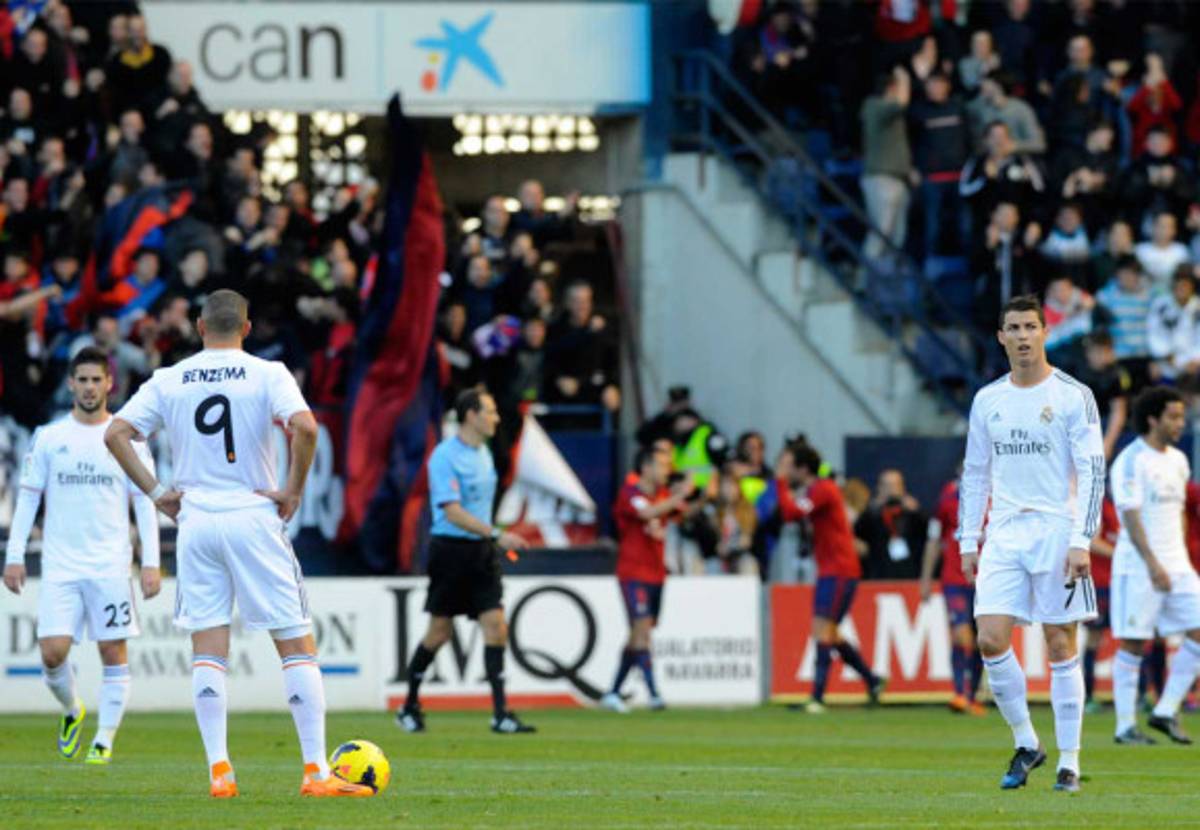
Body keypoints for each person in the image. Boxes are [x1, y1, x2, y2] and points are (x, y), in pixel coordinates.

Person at [103, 290, 372, 798]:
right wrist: (293, 489)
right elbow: (305, 427)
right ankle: (316, 772)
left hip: (197, 520)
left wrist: (158, 495)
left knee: (208, 647)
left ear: (200, 327)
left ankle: (220, 771)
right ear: (247, 329)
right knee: (295, 643)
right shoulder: (268, 373)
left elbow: (116, 434)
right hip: (252, 515)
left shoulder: (169, 378)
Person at [958, 294, 1105, 793]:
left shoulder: (1073, 395)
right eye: (1014, 328)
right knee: (989, 638)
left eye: (1030, 327)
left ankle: (1070, 762)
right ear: (1001, 337)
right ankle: (1027, 742)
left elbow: (1092, 472)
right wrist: (968, 538)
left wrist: (1082, 539)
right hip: (1003, 533)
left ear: (1045, 332)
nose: (1023, 336)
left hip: (1057, 530)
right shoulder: (988, 400)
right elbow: (976, 472)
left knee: (1060, 642)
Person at [3, 347, 160, 764]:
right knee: (52, 652)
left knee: (113, 652)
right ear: (71, 384)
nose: (90, 387)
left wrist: (150, 562)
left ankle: (103, 741)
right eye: (83, 380)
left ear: (110, 383)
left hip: (110, 565)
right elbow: (28, 498)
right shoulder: (50, 437)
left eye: (96, 380)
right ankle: (73, 709)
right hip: (61, 565)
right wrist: (14, 555)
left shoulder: (127, 439)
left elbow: (144, 502)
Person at [396, 388, 535, 736]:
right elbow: (452, 512)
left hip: (481, 552)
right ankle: (409, 705)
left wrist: (490, 537)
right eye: (490, 411)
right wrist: (497, 534)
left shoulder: (484, 452)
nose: (496, 418)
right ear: (471, 416)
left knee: (496, 626)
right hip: (451, 552)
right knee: (440, 631)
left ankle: (501, 714)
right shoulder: (444, 457)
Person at [1109, 387, 1200, 746]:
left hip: (1177, 564)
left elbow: (1179, 513)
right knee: (1134, 642)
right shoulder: (1131, 460)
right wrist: (1152, 563)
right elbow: (1130, 516)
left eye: (1181, 416)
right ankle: (1125, 726)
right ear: (1152, 419)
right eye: (1173, 417)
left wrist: (1178, 556)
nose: (1180, 423)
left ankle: (1164, 710)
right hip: (1138, 566)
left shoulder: (1178, 460)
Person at [775, 443, 884, 713]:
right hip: (833, 569)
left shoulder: (823, 489)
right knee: (829, 632)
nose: (785, 470)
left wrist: (779, 481)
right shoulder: (817, 490)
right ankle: (872, 680)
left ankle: (817, 697)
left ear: (802, 468)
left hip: (839, 569)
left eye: (788, 465)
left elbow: (791, 513)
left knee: (822, 629)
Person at [600, 446, 693, 713]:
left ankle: (613, 692)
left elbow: (683, 512)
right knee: (642, 628)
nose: (666, 471)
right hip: (633, 573)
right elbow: (646, 513)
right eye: (662, 465)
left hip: (656, 574)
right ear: (646, 467)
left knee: (638, 634)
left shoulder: (663, 494)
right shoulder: (630, 493)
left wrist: (694, 496)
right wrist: (678, 497)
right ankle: (654, 694)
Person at [919, 473, 984, 715]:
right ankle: (960, 694)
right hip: (954, 578)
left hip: (987, 579)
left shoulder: (999, 494)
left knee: (982, 639)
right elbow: (934, 540)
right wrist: (926, 578)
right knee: (960, 635)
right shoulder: (947, 498)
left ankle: (972, 696)